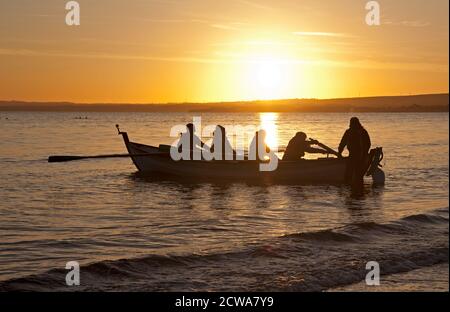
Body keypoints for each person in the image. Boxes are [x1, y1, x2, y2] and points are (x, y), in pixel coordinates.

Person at [338, 117, 371, 194]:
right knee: (356, 174)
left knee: (353, 173)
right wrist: (339, 152)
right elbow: (343, 143)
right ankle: (356, 188)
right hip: (356, 155)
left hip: (358, 156)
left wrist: (339, 152)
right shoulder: (360, 131)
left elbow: (343, 143)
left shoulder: (359, 132)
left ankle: (352, 187)